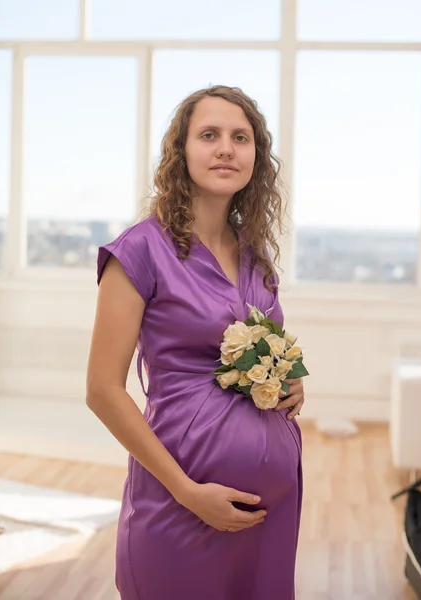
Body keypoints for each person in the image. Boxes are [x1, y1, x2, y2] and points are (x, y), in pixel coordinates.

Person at [86, 84, 305, 600]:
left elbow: (265, 347)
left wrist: (291, 381)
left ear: (257, 155)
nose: (226, 148)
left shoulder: (254, 255)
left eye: (241, 137)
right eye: (209, 135)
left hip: (269, 512)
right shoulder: (139, 250)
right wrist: (187, 492)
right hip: (179, 501)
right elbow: (101, 390)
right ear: (181, 152)